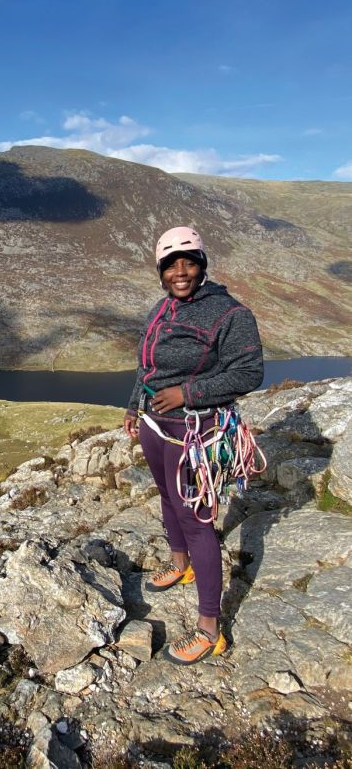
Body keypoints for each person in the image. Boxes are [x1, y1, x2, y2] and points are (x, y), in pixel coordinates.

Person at [123, 226, 263, 665]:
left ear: (202, 264)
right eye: (171, 265)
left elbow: (249, 373)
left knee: (198, 519)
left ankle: (209, 629)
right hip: (154, 423)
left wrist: (189, 394)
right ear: (161, 272)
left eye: (189, 262)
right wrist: (134, 407)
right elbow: (147, 368)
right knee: (166, 497)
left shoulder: (229, 314)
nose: (180, 272)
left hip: (195, 431)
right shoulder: (160, 308)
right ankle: (179, 563)